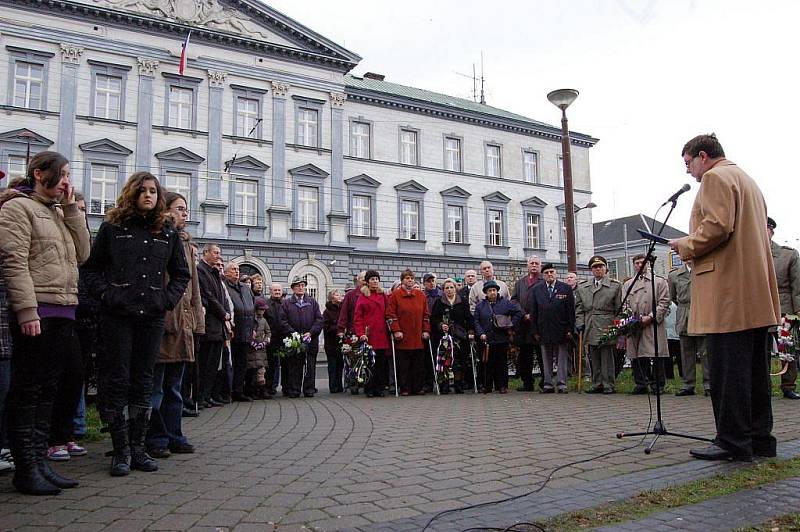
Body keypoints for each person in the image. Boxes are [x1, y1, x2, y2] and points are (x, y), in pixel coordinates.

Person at [670, 134, 780, 461]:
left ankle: (732, 441)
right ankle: (760, 439)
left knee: (727, 373)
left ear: (703, 156)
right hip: (753, 294)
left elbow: (717, 227)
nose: (688, 171)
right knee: (755, 374)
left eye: (688, 163)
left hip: (727, 294)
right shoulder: (746, 179)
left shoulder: (716, 177)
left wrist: (685, 245)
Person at [82, 171, 190, 477]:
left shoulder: (166, 231)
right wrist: (107, 295)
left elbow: (181, 273)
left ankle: (139, 448)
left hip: (151, 316)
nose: (148, 195)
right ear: (132, 193)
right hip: (117, 316)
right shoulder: (113, 227)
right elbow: (91, 270)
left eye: (153, 191)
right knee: (118, 379)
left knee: (143, 380)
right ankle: (121, 450)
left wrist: (166, 300)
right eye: (143, 191)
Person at [0, 152, 90, 494]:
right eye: (62, 174)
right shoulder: (17, 208)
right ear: (40, 174)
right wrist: (26, 311)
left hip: (65, 307)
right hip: (38, 309)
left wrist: (71, 211)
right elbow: (14, 262)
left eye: (69, 175)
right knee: (29, 388)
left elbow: (83, 255)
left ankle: (40, 462)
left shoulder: (57, 212)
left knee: (49, 389)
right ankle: (26, 469)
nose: (68, 181)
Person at [146, 191, 203, 458]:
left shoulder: (187, 244)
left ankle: (174, 434)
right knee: (155, 387)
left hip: (183, 324)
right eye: (179, 209)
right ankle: (155, 437)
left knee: (175, 388)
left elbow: (194, 288)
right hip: (162, 320)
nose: (184, 214)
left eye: (185, 209)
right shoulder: (158, 237)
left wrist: (196, 322)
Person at [622, 254, 671, 394]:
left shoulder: (659, 282)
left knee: (656, 353)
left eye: (642, 262)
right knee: (637, 354)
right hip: (635, 324)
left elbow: (664, 302)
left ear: (648, 264)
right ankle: (641, 383)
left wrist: (651, 317)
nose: (639, 265)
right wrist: (632, 318)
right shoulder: (628, 284)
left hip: (653, 323)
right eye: (636, 263)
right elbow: (624, 303)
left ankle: (658, 384)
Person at [575, 256, 622, 394]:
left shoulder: (615, 285)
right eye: (595, 267)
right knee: (593, 354)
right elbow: (579, 308)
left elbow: (619, 308)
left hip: (606, 322)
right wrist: (580, 323)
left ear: (606, 268)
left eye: (601, 266)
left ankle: (608, 384)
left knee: (607, 355)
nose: (598, 269)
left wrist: (617, 325)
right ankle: (597, 383)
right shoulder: (583, 286)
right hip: (590, 323)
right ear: (591, 270)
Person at [767, 217, 800, 400]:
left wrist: (798, 311)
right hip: (757, 308)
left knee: (787, 348)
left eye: (766, 229)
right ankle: (763, 387)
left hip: (783, 308)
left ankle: (788, 385)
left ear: (772, 231)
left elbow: (797, 286)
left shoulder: (788, 254)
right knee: (759, 350)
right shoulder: (748, 254)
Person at [529, 264, 575, 393]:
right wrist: (535, 331)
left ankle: (561, 383)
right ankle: (548, 384)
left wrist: (570, 329)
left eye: (552, 272)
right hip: (543, 329)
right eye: (547, 272)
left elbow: (570, 311)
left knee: (561, 358)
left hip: (561, 328)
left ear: (556, 273)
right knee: (546, 358)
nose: (550, 274)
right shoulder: (537, 289)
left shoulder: (565, 288)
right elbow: (534, 312)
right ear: (543, 275)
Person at [473, 280, 523, 394]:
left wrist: (510, 324)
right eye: (489, 291)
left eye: (494, 290)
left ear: (497, 291)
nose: (492, 292)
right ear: (486, 293)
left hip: (501, 338)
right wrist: (481, 333)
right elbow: (476, 321)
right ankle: (487, 386)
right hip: (487, 339)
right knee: (487, 363)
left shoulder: (505, 303)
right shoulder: (480, 306)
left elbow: (518, 313)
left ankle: (502, 386)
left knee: (501, 363)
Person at [195, 244, 229, 409]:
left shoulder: (214, 273)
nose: (218, 256)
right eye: (216, 252)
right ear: (206, 252)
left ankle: (207, 396)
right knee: (205, 365)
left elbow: (221, 296)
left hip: (218, 327)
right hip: (209, 325)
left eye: (219, 253)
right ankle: (200, 397)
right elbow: (208, 296)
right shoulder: (201, 271)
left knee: (213, 366)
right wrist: (223, 313)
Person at [386, 270, 431, 396]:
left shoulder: (421, 295)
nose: (410, 280)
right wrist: (396, 330)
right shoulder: (395, 295)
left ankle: (418, 387)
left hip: (418, 336)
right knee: (404, 365)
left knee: (418, 365)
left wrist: (426, 330)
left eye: (411, 278)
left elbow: (426, 315)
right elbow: (390, 314)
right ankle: (405, 388)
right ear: (402, 280)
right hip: (403, 337)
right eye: (407, 278)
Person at [668, 263, 710, 397]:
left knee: (705, 352)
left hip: (702, 312)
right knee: (686, 353)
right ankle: (688, 384)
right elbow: (673, 297)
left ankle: (709, 384)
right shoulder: (674, 275)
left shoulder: (705, 269)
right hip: (684, 314)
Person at [279, 277, 323, 398]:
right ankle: (294, 390)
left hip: (310, 340)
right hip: (294, 341)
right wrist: (294, 334)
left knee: (310, 366)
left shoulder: (312, 302)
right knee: (295, 366)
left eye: (303, 285)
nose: (301, 287)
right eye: (298, 285)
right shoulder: (287, 303)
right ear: (293, 288)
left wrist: (311, 332)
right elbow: (283, 321)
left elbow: (319, 320)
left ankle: (309, 389)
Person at [430, 278, 473, 394]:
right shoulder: (439, 302)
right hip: (444, 337)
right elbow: (433, 318)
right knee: (445, 360)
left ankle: (458, 383)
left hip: (459, 336)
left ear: (455, 288)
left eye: (451, 287)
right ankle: (444, 384)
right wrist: (440, 325)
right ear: (443, 290)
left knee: (459, 361)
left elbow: (468, 318)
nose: (449, 290)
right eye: (446, 288)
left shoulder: (462, 301)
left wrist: (470, 331)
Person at [223, 262, 257, 402]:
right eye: (233, 269)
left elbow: (252, 308)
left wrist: (253, 327)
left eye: (237, 269)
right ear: (226, 273)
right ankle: (228, 391)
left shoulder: (245, 288)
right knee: (230, 364)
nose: (236, 272)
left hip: (246, 332)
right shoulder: (225, 287)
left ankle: (239, 390)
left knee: (242, 364)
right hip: (233, 332)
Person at [354, 270, 390, 397]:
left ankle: (379, 388)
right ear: (367, 282)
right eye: (372, 279)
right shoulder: (363, 297)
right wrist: (360, 333)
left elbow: (388, 312)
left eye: (376, 279)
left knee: (381, 362)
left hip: (382, 334)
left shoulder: (383, 295)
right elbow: (358, 317)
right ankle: (369, 388)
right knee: (369, 363)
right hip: (369, 334)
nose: (375, 281)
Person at [511, 256, 542, 392]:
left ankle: (545, 381)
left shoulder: (543, 281)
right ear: (527, 266)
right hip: (523, 325)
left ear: (540, 266)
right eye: (531, 263)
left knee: (541, 354)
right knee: (525, 355)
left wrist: (533, 315)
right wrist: (523, 314)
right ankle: (527, 382)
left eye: (536, 263)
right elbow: (514, 300)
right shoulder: (520, 283)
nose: (534, 265)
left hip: (539, 324)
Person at [246, 297, 271, 399]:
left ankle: (261, 390)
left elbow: (268, 332)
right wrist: (252, 342)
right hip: (252, 350)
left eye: (264, 309)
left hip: (261, 350)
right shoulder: (251, 319)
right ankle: (252, 391)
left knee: (261, 371)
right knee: (251, 371)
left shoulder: (264, 321)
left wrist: (265, 341)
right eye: (261, 309)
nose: (263, 311)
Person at [264, 283, 285, 396]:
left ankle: (285, 388)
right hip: (271, 340)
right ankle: (270, 387)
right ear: (270, 292)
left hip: (284, 339)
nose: (277, 292)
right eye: (275, 290)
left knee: (285, 365)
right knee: (271, 366)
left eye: (279, 290)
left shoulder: (286, 304)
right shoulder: (266, 304)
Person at [322, 289, 343, 393]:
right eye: (336, 294)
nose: (339, 296)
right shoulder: (327, 312)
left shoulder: (342, 309)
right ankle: (333, 386)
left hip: (341, 342)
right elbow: (326, 327)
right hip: (331, 343)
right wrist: (337, 329)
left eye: (339, 294)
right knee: (333, 365)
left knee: (340, 365)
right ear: (331, 298)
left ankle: (340, 385)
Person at [337, 271, 366, 337]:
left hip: (369, 331)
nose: (365, 282)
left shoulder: (372, 295)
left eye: (367, 280)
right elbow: (343, 313)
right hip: (354, 331)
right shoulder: (350, 295)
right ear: (358, 281)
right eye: (363, 280)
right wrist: (341, 330)